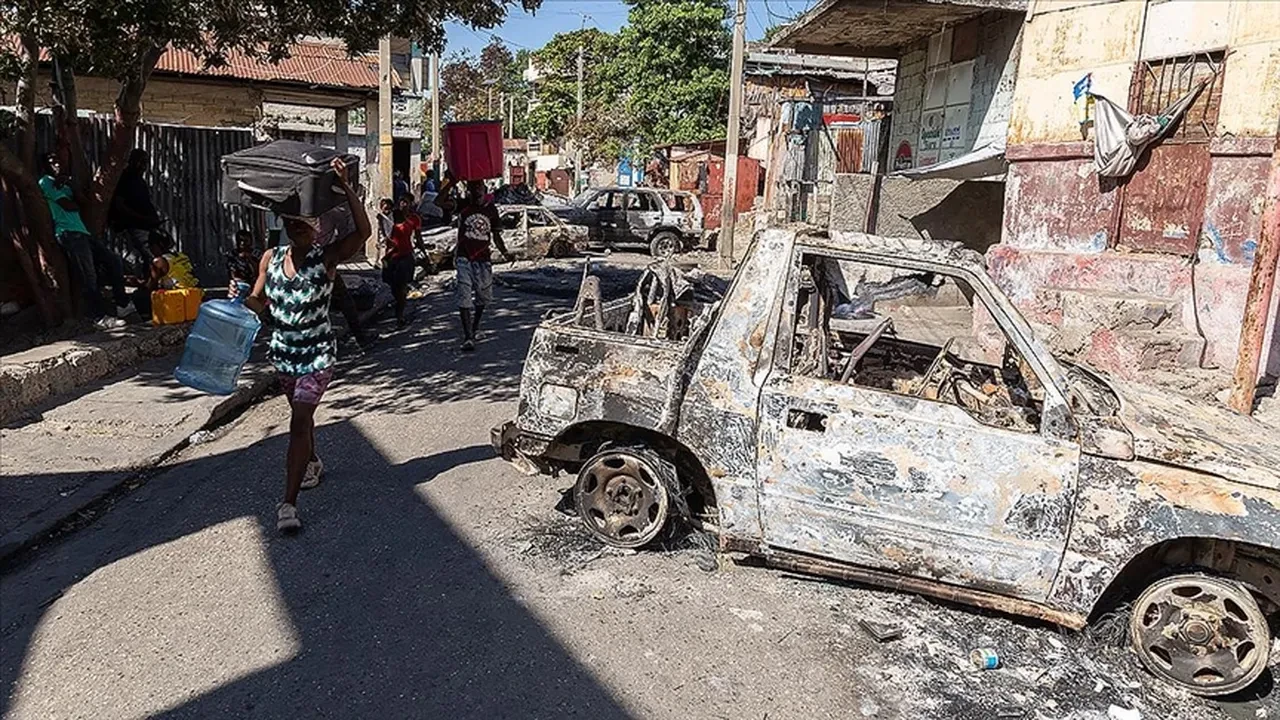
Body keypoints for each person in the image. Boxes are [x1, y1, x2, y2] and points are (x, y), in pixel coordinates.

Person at [229, 157, 370, 533]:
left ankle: (287, 505)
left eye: (304, 225)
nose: (298, 230)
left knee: (298, 421)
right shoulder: (270, 260)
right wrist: (239, 297)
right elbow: (258, 305)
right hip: (284, 355)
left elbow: (364, 231)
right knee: (301, 419)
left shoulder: (328, 258)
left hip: (318, 355)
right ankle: (313, 462)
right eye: (292, 224)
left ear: (317, 229)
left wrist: (346, 186)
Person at [39, 153, 131, 330]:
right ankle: (98, 317)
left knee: (114, 260)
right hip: (68, 233)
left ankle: (122, 304)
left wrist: (71, 185)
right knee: (88, 275)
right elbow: (69, 205)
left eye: (59, 161)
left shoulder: (65, 183)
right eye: (52, 162)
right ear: (45, 166)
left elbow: (83, 202)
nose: (57, 164)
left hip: (82, 232)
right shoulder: (46, 182)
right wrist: (69, 192)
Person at [455, 179, 511, 351]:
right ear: (469, 192)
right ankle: (468, 336)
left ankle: (475, 325)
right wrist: (450, 181)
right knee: (464, 294)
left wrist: (505, 252)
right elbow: (439, 203)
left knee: (482, 297)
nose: (477, 192)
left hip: (483, 260)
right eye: (473, 189)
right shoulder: (463, 206)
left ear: (484, 191)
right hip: (464, 258)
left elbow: (496, 236)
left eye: (480, 189)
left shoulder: (491, 210)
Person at [109, 149, 161, 269]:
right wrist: (142, 218)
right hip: (134, 226)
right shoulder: (124, 179)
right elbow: (120, 205)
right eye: (141, 162)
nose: (143, 166)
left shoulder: (139, 181)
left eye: (145, 163)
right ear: (132, 161)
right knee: (146, 258)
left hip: (147, 225)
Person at [129, 233, 198, 317]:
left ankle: (147, 317)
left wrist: (137, 284)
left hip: (180, 298)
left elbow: (150, 287)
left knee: (139, 295)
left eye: (151, 245)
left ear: (160, 245)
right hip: (194, 294)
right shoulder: (181, 256)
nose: (150, 249)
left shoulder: (159, 261)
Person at [383, 193, 420, 327]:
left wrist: (422, 252)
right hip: (392, 257)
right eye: (401, 201)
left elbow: (418, 237)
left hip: (405, 256)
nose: (403, 204)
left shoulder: (413, 220)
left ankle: (400, 316)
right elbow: (387, 238)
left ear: (411, 203)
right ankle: (399, 309)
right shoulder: (392, 219)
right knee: (394, 287)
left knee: (401, 287)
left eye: (406, 202)